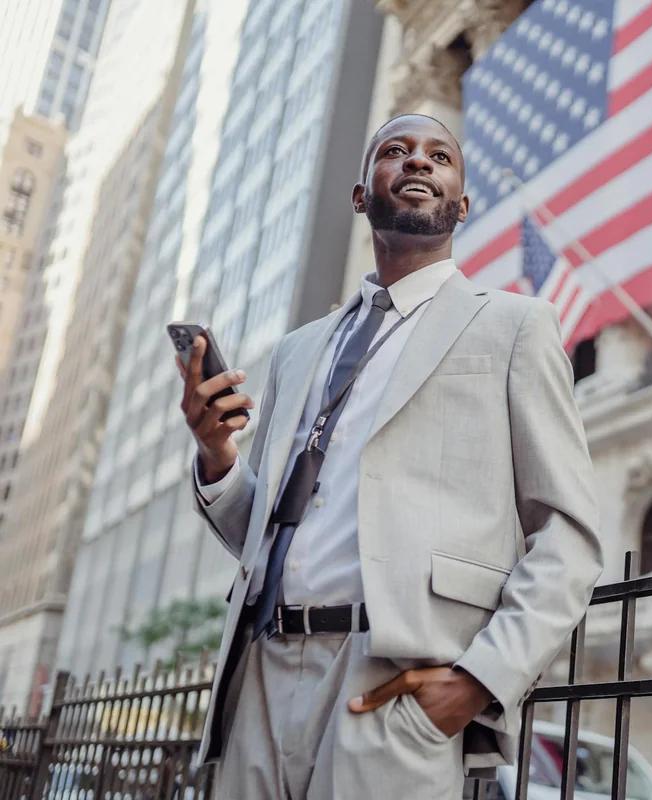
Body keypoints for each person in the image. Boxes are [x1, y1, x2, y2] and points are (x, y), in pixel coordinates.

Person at [176, 113, 602, 799]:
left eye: (440, 156)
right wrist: (217, 452)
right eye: (396, 151)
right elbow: (263, 534)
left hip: (387, 685)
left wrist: (480, 680)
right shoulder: (297, 350)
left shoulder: (514, 327)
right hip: (259, 670)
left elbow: (569, 537)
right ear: (359, 195)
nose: (418, 163)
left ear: (462, 205)